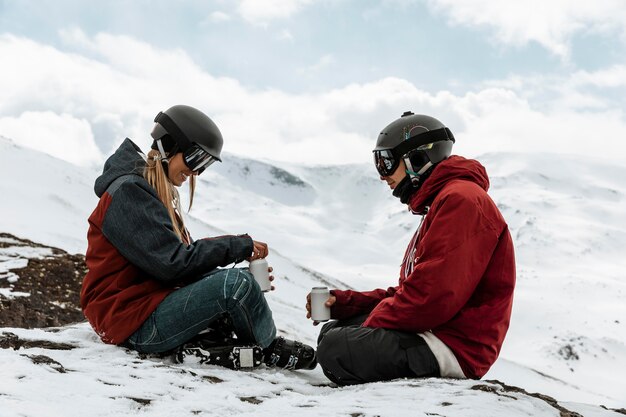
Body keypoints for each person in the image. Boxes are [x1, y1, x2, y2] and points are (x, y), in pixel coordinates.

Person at [81, 104, 316, 371]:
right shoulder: (129, 193)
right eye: (195, 159)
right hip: (129, 320)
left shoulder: (148, 191)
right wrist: (236, 247)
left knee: (240, 282)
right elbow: (172, 264)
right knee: (237, 284)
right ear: (169, 146)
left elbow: (174, 268)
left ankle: (214, 346)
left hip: (141, 310)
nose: (195, 172)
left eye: (204, 165)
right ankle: (268, 348)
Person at [307, 111, 515, 385]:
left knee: (337, 346)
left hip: (454, 346)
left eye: (387, 162)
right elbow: (412, 290)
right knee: (335, 331)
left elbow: (432, 299)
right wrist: (346, 304)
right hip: (437, 331)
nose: (383, 176)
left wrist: (369, 324)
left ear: (417, 158)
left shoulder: (461, 201)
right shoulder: (445, 201)